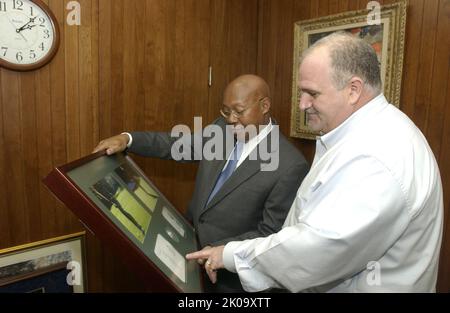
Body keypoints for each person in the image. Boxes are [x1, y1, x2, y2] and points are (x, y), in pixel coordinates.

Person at [186, 32, 444, 292]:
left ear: (353, 90)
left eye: (312, 94)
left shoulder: (377, 156)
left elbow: (319, 249)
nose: (302, 104)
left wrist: (229, 255)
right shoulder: (365, 133)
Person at [93, 74, 309, 292]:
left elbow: (269, 234)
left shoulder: (290, 165)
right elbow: (175, 144)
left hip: (229, 280)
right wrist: (128, 139)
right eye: (226, 111)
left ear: (265, 105)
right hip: (186, 255)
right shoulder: (222, 129)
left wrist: (218, 252)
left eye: (239, 111)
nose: (231, 119)